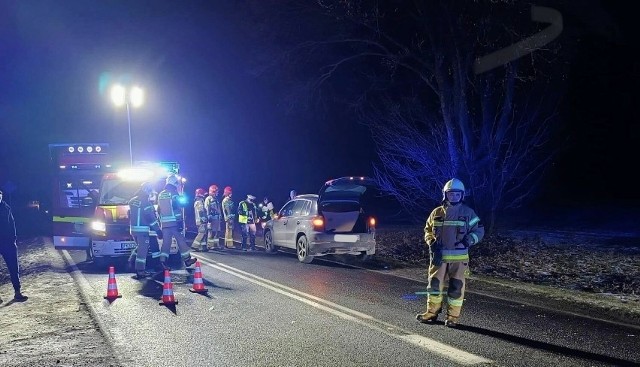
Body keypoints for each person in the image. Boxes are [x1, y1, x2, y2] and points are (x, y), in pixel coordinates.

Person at [416, 178, 484, 328]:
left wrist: (469, 240)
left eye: (456, 194)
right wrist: (431, 242)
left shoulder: (468, 213)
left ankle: (452, 317)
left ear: (462, 195)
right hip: (439, 257)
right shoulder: (437, 212)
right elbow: (428, 229)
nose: (453, 197)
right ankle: (432, 312)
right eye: (450, 194)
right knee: (434, 285)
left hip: (459, 259)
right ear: (445, 195)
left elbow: (479, 230)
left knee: (456, 286)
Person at [157, 174, 197, 270]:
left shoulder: (161, 194)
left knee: (166, 243)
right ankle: (187, 260)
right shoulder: (173, 193)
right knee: (181, 240)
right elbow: (177, 206)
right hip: (174, 222)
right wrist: (179, 221)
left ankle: (162, 262)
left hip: (165, 223)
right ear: (174, 183)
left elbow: (158, 209)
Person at [128, 182, 163, 279]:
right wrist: (158, 230)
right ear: (147, 191)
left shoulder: (132, 201)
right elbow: (151, 219)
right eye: (151, 192)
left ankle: (131, 262)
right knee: (142, 251)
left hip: (133, 230)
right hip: (142, 230)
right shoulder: (146, 203)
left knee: (139, 247)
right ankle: (140, 270)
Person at [0, 190, 27, 302]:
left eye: (0, 195)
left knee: (14, 267)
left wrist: (13, 238)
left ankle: (17, 292)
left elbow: (12, 223)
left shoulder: (6, 208)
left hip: (8, 242)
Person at [204, 184, 222, 250]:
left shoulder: (216, 199)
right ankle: (210, 245)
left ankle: (216, 245)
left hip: (217, 218)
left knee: (217, 232)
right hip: (212, 218)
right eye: (216, 191)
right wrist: (209, 216)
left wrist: (220, 215)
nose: (217, 193)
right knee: (211, 232)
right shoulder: (208, 199)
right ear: (213, 191)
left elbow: (218, 208)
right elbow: (207, 208)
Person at [191, 188, 208, 252]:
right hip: (201, 220)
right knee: (202, 233)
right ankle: (195, 245)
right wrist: (203, 218)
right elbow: (201, 211)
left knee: (203, 233)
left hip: (199, 220)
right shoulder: (199, 201)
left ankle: (203, 247)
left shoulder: (197, 201)